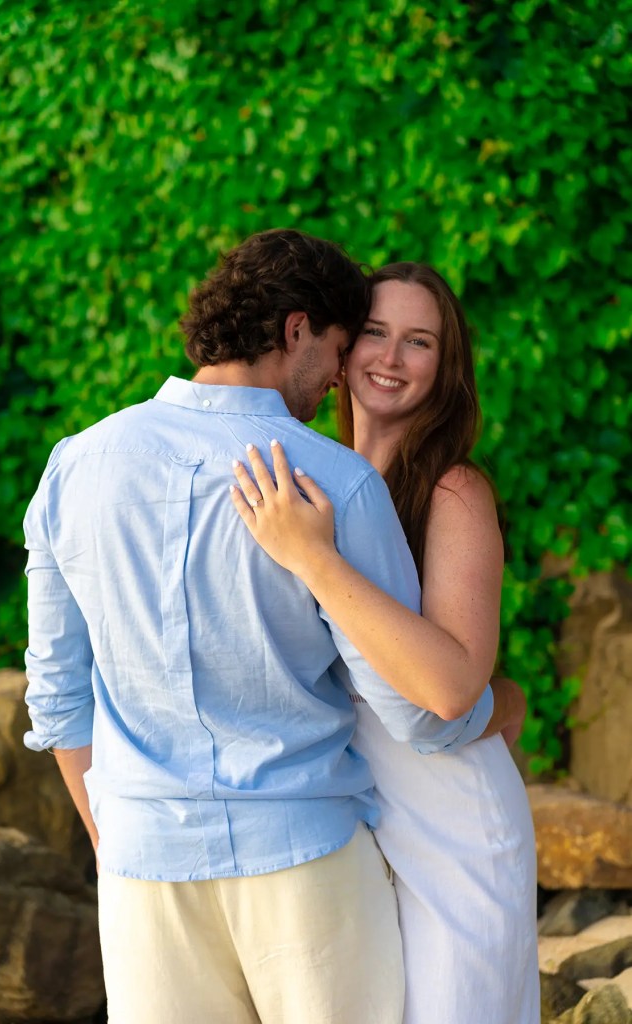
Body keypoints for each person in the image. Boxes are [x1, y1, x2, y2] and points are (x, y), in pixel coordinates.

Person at [22, 232, 518, 1024]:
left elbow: (56, 699)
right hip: (303, 855)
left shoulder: (72, 466)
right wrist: (500, 706)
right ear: (296, 332)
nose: (338, 376)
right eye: (343, 347)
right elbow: (417, 714)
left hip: (143, 864)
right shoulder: (333, 480)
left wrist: (116, 841)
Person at [230, 261, 540, 1024]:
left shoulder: (452, 491)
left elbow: (451, 689)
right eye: (374, 332)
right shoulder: (309, 479)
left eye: (418, 341)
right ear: (340, 351)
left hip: (453, 828)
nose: (391, 358)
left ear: (445, 367)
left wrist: (313, 558)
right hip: (359, 830)